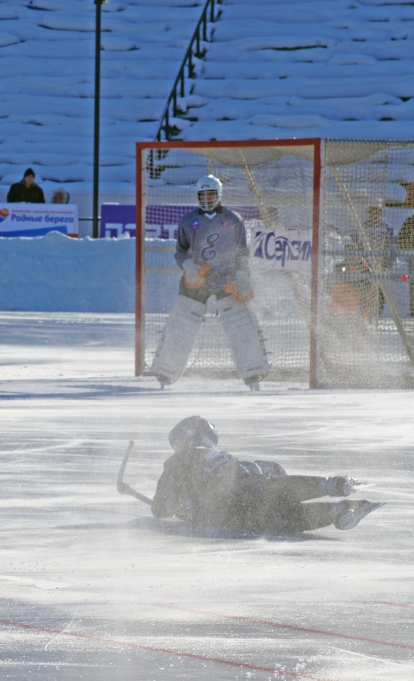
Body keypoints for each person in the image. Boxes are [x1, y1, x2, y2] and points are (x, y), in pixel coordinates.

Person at [150, 416, 382, 534]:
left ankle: (334, 512)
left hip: (229, 509)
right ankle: (331, 489)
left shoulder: (178, 462)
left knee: (278, 519)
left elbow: (160, 507)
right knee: (275, 503)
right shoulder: (219, 456)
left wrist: (181, 507)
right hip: (247, 487)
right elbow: (273, 469)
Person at [150, 175, 269, 389]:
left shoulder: (233, 220)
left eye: (211, 194)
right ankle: (165, 373)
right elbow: (180, 252)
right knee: (180, 327)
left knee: (241, 328)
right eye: (202, 195)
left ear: (219, 195)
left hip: (226, 282)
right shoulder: (188, 221)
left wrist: (242, 275)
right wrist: (188, 267)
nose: (206, 199)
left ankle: (254, 374)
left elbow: (242, 253)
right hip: (198, 281)